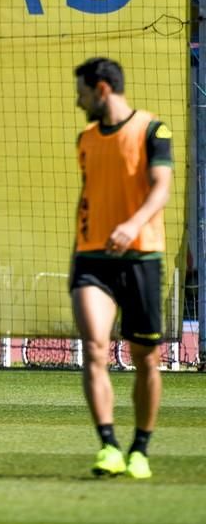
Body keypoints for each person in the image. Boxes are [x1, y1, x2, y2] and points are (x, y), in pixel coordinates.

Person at [70, 57, 173, 479]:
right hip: (92, 259)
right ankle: (109, 446)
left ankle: (140, 449)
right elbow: (90, 199)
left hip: (141, 256)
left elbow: (161, 188)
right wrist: (78, 251)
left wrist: (132, 226)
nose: (78, 102)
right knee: (94, 348)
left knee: (145, 358)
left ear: (102, 89)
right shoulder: (86, 139)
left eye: (81, 92)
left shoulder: (153, 130)